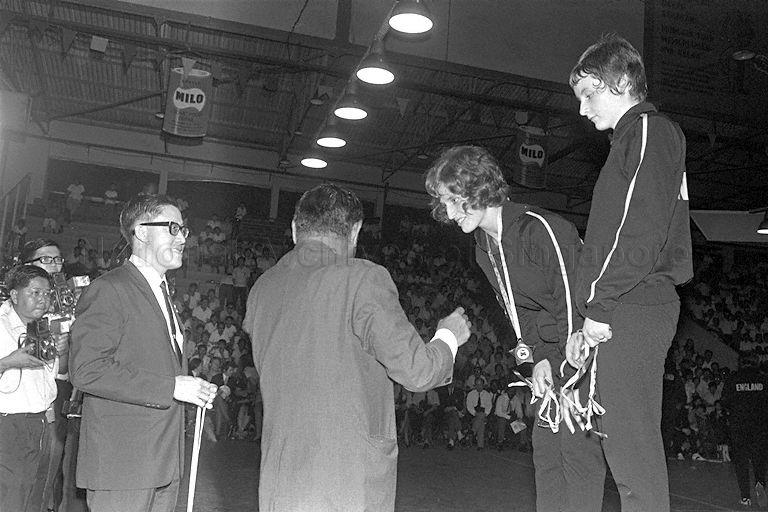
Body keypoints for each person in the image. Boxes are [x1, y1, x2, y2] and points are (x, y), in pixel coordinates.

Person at [244, 183, 470, 512]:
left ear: (294, 229)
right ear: (355, 231)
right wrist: (448, 336)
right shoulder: (363, 278)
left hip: (279, 483)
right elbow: (417, 371)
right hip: (346, 483)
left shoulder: (262, 288)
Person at [425, 145, 606, 510]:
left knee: (576, 455)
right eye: (443, 203)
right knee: (547, 456)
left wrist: (563, 365)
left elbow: (571, 301)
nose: (448, 213)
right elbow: (518, 313)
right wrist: (538, 360)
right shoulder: (484, 248)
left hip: (585, 347)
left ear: (478, 187)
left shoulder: (538, 229)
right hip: (551, 352)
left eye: (453, 200)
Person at [566, 34, 693, 512]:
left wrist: (599, 306)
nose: (583, 110)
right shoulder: (630, 140)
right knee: (622, 449)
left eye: (589, 93)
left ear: (620, 81)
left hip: (633, 303)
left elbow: (638, 230)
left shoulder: (648, 131)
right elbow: (615, 237)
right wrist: (586, 317)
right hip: (624, 303)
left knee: (632, 453)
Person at [69, 195, 217, 512]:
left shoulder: (162, 293)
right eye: (173, 228)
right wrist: (172, 387)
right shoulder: (110, 288)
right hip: (124, 464)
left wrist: (192, 388)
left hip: (163, 462)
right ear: (142, 232)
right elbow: (87, 369)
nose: (182, 238)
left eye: (184, 230)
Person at [0, 264, 65, 511]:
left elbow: (52, 377)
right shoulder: (2, 325)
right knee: (10, 496)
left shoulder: (42, 329)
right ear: (15, 295)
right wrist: (8, 363)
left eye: (47, 293)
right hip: (8, 424)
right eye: (35, 293)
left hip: (39, 422)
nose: (42, 299)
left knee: (33, 495)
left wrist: (60, 349)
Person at [18, 239, 73, 512]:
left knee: (48, 473)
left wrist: (63, 349)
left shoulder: (67, 307)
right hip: (17, 404)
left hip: (54, 399)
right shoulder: (13, 310)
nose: (55, 265)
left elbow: (62, 371)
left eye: (58, 259)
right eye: (46, 259)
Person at [721, 354, 768, 507]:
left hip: (739, 426)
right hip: (760, 426)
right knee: (759, 460)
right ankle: (760, 486)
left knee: (741, 462)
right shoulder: (763, 379)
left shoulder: (733, 379)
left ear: (740, 363)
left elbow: (725, 401)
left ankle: (745, 497)